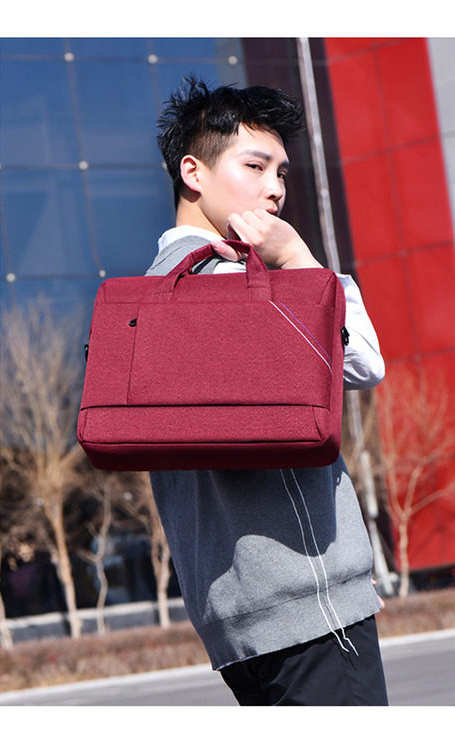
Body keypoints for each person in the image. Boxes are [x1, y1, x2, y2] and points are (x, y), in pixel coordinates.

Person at [144, 76, 389, 706]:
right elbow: (364, 362)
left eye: (282, 172)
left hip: (233, 620)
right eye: (254, 166)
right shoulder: (238, 287)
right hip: (306, 605)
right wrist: (299, 259)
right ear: (192, 172)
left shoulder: (151, 293)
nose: (275, 188)